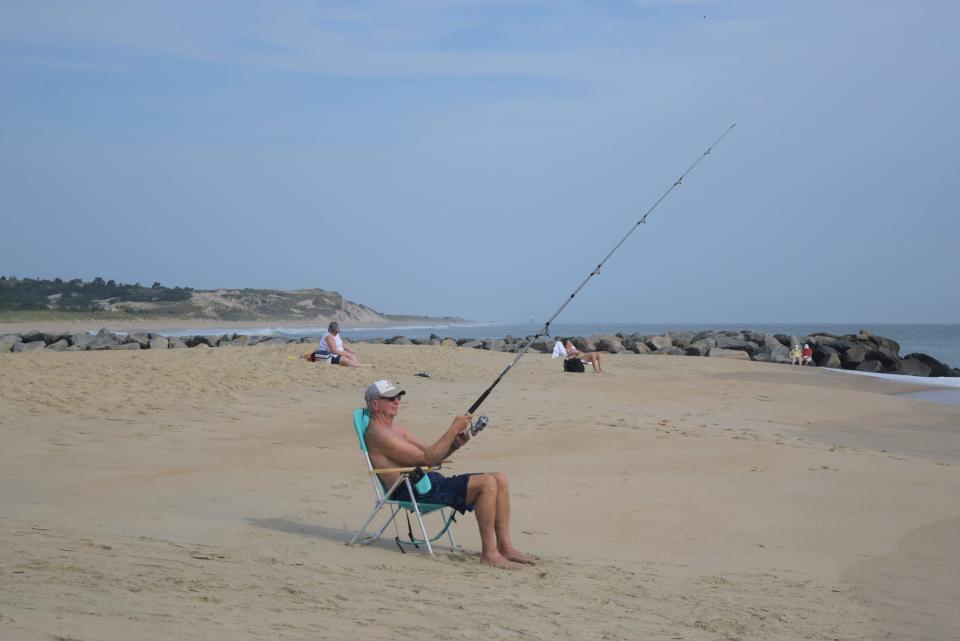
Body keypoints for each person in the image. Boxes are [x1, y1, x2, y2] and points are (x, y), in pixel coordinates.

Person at [362, 379, 533, 570]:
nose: (396, 401)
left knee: (500, 478)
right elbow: (427, 459)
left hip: (425, 482)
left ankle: (505, 547)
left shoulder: (396, 429)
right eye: (390, 398)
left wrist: (454, 444)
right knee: (487, 484)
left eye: (398, 396)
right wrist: (453, 428)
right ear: (374, 404)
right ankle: (489, 553)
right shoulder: (379, 435)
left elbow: (432, 454)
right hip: (411, 491)